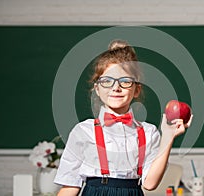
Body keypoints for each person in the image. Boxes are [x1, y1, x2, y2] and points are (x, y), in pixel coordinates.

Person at [54, 39, 192, 196]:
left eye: (125, 81)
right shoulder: (83, 131)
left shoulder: (149, 132)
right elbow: (70, 186)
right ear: (97, 88)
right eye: (107, 81)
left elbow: (150, 184)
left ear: (137, 89)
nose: (116, 88)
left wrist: (168, 136)